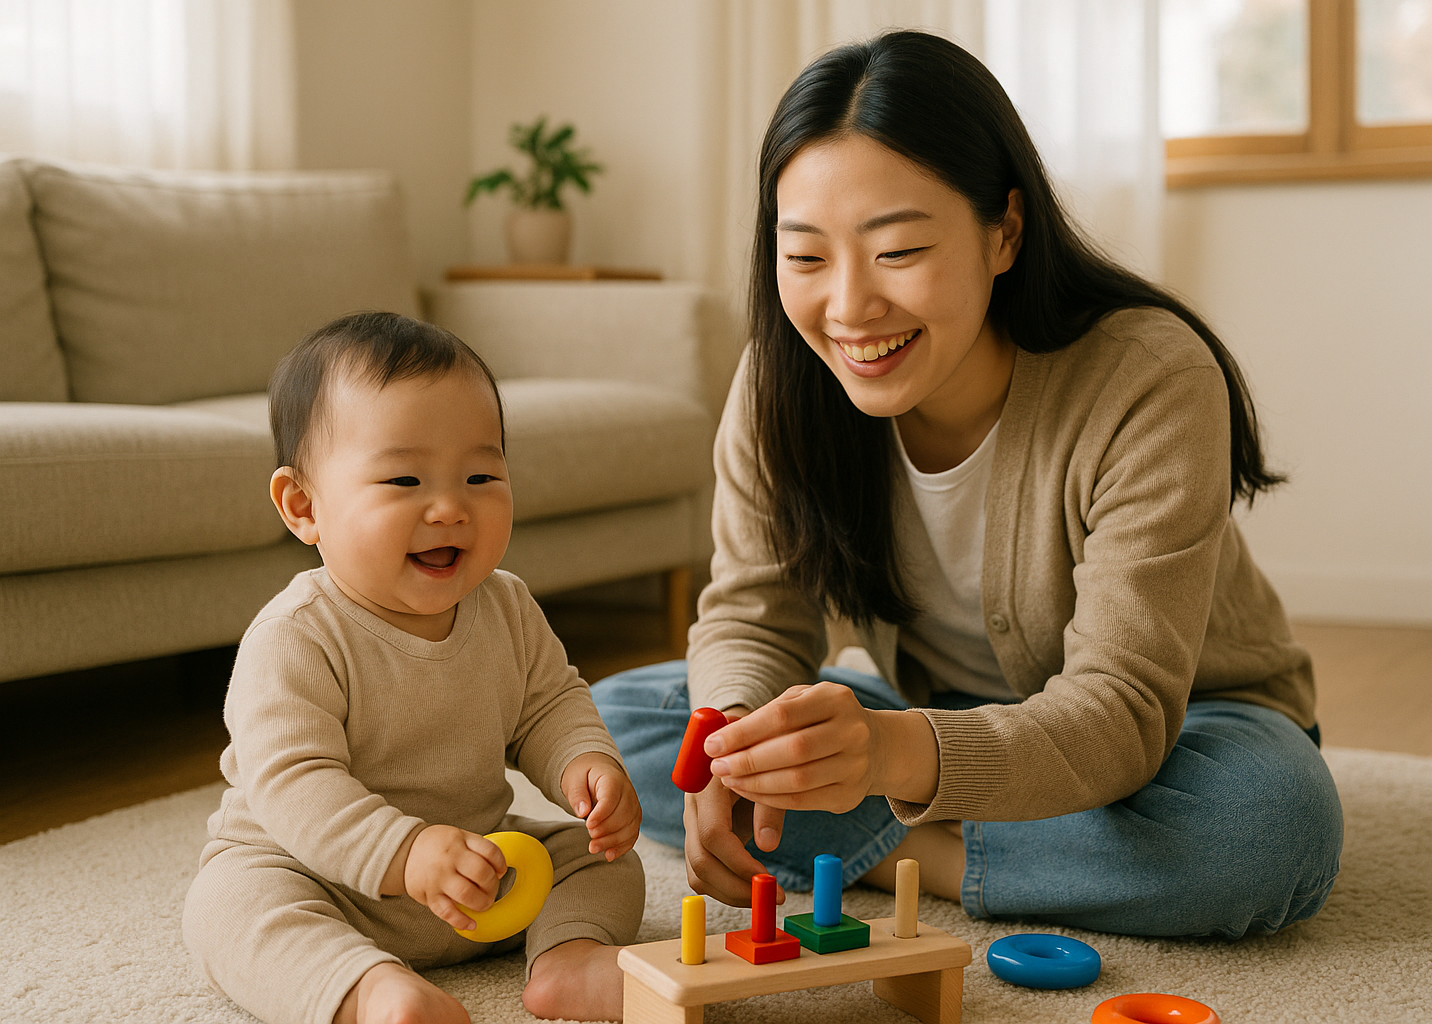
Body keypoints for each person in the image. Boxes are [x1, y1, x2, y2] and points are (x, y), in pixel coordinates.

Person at [592, 30, 1344, 940]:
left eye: (898, 250)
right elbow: (753, 614)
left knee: (1263, 831)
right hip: (933, 725)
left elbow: (1121, 714)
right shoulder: (781, 380)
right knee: (615, 726)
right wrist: (734, 740)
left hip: (1183, 724)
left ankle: (917, 858)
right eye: (806, 257)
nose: (848, 308)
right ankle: (1031, 854)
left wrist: (882, 758)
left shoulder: (1147, 377)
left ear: (1005, 232)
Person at [182, 311, 644, 1024]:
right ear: (303, 506)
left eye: (481, 474)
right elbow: (295, 783)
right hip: (320, 876)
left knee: (599, 861)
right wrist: (405, 852)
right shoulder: (297, 636)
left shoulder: (507, 606)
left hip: (476, 869)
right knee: (231, 906)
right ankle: (368, 991)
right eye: (404, 479)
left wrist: (586, 763)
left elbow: (550, 702)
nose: (451, 507)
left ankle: (568, 957)